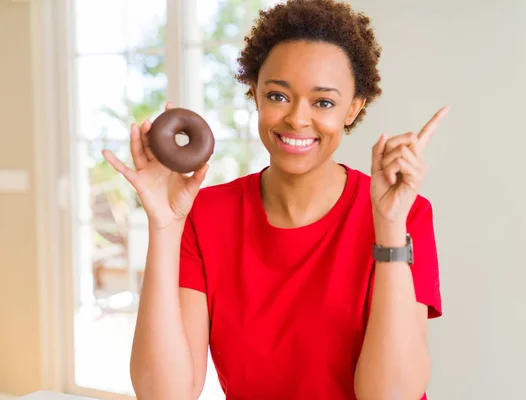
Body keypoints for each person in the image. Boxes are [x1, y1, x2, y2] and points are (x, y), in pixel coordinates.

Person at [102, 0, 448, 398]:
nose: (297, 119)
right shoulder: (206, 216)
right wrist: (164, 226)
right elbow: (165, 394)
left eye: (323, 102)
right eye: (279, 96)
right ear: (255, 94)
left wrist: (388, 230)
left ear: (353, 109)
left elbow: (392, 395)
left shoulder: (405, 216)